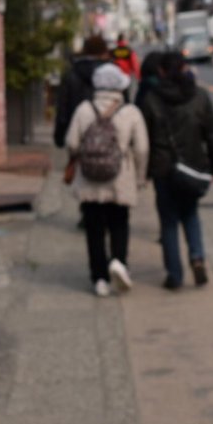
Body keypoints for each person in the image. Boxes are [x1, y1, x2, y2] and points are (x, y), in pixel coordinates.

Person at [139, 50, 213, 290]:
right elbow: (212, 135)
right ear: (185, 69)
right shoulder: (199, 96)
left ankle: (174, 275)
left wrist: (143, 172)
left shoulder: (151, 99)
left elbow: (143, 139)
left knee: (168, 222)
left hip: (163, 168)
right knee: (191, 214)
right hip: (193, 166)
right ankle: (197, 257)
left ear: (162, 71)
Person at [66, 63, 149, 297]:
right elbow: (142, 148)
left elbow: (72, 143)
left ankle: (99, 278)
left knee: (94, 229)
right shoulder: (131, 112)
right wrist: (140, 177)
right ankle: (118, 262)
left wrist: (81, 156)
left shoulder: (84, 109)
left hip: (89, 178)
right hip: (120, 178)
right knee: (119, 222)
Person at [53, 34, 109, 149]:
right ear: (104, 52)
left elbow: (63, 109)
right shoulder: (113, 75)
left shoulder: (71, 74)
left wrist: (59, 136)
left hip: (78, 133)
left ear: (85, 51)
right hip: (109, 135)